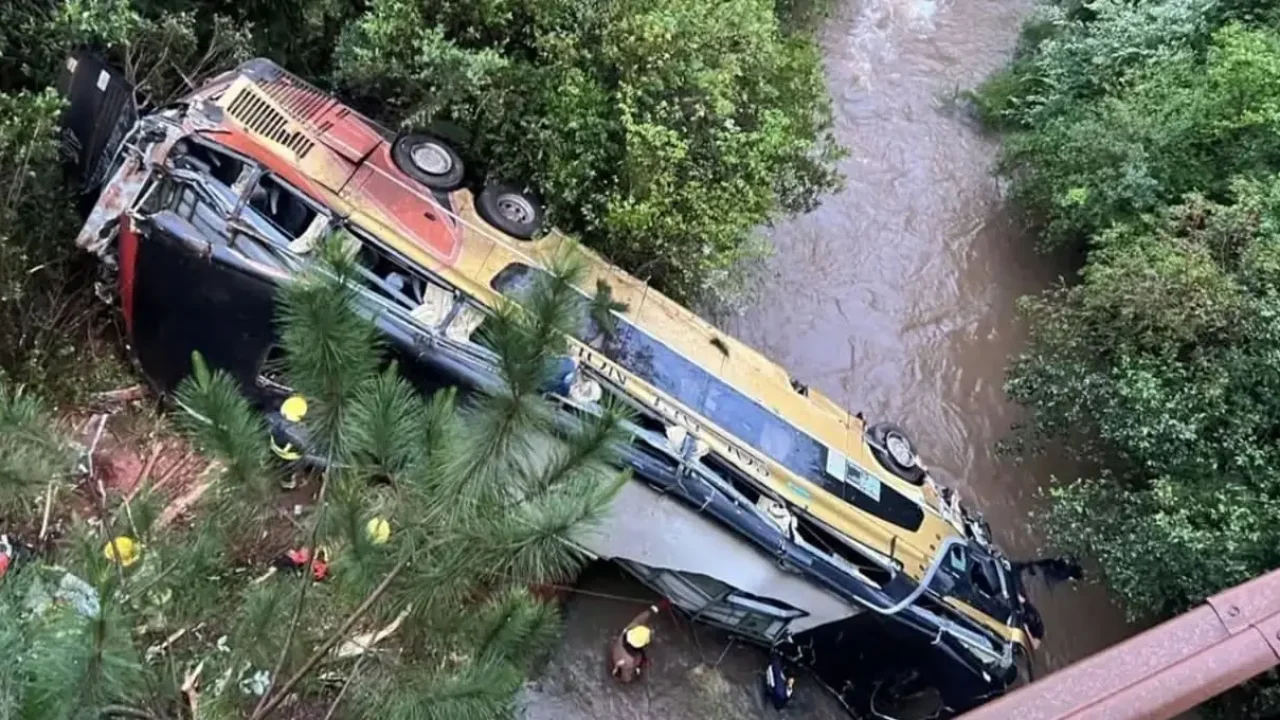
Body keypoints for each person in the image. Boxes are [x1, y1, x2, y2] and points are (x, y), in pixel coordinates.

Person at [610, 603, 664, 682]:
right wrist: (636, 675)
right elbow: (626, 678)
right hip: (624, 663)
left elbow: (640, 619)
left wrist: (655, 609)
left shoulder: (628, 630)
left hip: (617, 652)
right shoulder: (630, 661)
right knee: (628, 677)